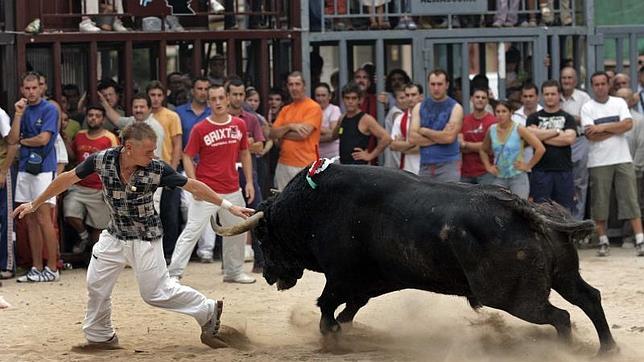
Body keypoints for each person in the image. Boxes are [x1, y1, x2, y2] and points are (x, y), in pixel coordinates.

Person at [13, 122, 253, 348]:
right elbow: (67, 178)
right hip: (114, 235)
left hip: (145, 238)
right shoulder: (102, 160)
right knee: (96, 285)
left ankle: (207, 310)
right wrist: (35, 204)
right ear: (129, 147)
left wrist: (228, 206)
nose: (153, 155)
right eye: (148, 151)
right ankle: (100, 336)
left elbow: (192, 185)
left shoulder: (157, 168)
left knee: (156, 293)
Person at [168, 84, 256, 284]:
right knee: (192, 231)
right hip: (207, 190)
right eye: (213, 99)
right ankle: (173, 274)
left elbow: (245, 153)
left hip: (233, 187)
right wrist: (194, 184)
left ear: (227, 99)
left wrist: (249, 181)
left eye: (220, 98)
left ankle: (233, 272)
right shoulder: (201, 128)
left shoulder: (239, 125)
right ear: (208, 103)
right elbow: (187, 156)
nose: (217, 102)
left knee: (237, 230)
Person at [581, 71, 644, 257]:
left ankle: (640, 239)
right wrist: (615, 128)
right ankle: (603, 240)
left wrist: (601, 127)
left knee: (630, 199)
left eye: (603, 83)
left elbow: (628, 125)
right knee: (600, 202)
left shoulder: (619, 103)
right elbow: (590, 135)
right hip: (599, 160)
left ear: (609, 85)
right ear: (592, 86)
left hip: (622, 158)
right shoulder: (587, 107)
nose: (600, 87)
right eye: (596, 84)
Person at [7, 72, 60, 283]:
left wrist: (23, 142)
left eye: (34, 88)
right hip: (25, 169)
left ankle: (52, 267)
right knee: (29, 219)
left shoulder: (49, 109)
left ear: (41, 88)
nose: (30, 92)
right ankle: (36, 267)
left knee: (43, 218)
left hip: (44, 169)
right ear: (22, 90)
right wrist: (18, 115)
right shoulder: (22, 109)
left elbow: (43, 139)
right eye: (27, 88)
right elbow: (11, 139)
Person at [64, 105, 119, 254]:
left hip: (99, 189)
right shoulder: (80, 135)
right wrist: (65, 139)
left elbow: (116, 163)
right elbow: (73, 158)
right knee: (70, 213)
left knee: (98, 227)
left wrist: (111, 189)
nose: (93, 118)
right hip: (79, 186)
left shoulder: (109, 137)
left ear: (103, 119)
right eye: (90, 115)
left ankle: (95, 257)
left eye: (97, 115)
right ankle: (83, 236)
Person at [525, 80, 577, 210]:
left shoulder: (568, 117)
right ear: (542, 96)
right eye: (546, 94)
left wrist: (540, 135)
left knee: (564, 211)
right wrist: (557, 132)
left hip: (563, 170)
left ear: (559, 95)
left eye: (553, 94)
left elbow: (569, 139)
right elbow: (530, 137)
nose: (549, 97)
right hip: (540, 171)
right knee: (541, 211)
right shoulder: (533, 117)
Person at [479, 100, 545, 199]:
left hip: (518, 177)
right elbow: (483, 149)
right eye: (498, 111)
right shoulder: (491, 129)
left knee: (519, 210)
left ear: (511, 113)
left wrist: (528, 166)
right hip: (499, 177)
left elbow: (540, 148)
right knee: (498, 210)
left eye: (504, 111)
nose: (500, 115)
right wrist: (488, 166)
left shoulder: (519, 128)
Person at [269, 71, 322, 189]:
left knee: (305, 204)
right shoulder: (285, 109)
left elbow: (303, 135)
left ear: (304, 86)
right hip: (283, 164)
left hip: (305, 165)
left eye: (297, 84)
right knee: (282, 203)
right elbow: (272, 134)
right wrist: (290, 126)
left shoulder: (313, 107)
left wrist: (282, 133)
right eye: (291, 84)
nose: (294, 88)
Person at [409, 69, 464, 182]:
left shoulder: (456, 108)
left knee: (449, 198)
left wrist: (424, 131)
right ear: (428, 85)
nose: (436, 88)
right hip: (425, 164)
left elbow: (449, 138)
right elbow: (412, 138)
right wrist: (441, 136)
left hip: (448, 165)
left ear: (447, 85)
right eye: (433, 84)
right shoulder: (419, 107)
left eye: (440, 84)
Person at [332, 81, 391, 165]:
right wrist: (338, 125)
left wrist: (370, 155)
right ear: (343, 99)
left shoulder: (366, 119)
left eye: (353, 98)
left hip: (360, 168)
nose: (350, 101)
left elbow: (387, 138)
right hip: (344, 167)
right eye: (347, 98)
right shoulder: (342, 117)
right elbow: (334, 136)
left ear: (359, 100)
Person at [560, 67, 592, 219]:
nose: (566, 81)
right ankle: (564, 221)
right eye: (564, 78)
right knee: (563, 183)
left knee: (580, 184)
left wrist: (567, 117)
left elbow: (587, 120)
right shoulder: (555, 95)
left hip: (579, 141)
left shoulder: (584, 97)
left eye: (569, 78)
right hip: (558, 144)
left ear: (576, 80)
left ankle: (578, 221)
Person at [459, 88, 497, 185]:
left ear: (487, 101)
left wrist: (466, 145)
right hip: (465, 173)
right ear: (472, 99)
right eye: (477, 97)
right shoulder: (464, 120)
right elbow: (459, 145)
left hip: (486, 173)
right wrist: (481, 146)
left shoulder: (493, 122)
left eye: (483, 98)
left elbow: (490, 148)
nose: (480, 99)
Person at [0, 107, 18, 280]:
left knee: (6, 217)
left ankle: (7, 264)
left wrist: (4, 170)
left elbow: (13, 143)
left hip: (1, 170)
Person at [390, 83, 423, 174]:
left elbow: (424, 147)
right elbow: (392, 145)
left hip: (425, 169)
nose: (410, 98)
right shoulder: (400, 119)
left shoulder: (429, 117)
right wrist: (413, 144)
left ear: (421, 97)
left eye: (413, 95)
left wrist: (402, 145)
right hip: (406, 170)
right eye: (407, 95)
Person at [315, 83, 341, 159]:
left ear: (330, 96)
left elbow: (333, 134)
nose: (320, 99)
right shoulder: (312, 111)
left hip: (333, 155)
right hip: (317, 156)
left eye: (323, 95)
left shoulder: (334, 109)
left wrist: (315, 133)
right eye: (318, 95)